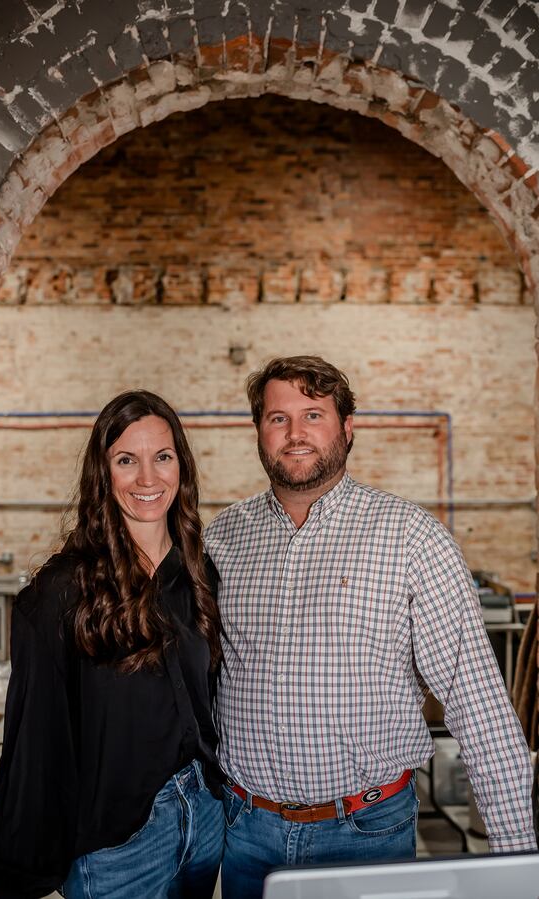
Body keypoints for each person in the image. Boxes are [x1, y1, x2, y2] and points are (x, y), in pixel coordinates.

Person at [204, 355, 537, 899]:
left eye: (313, 415)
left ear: (347, 427)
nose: (295, 434)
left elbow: (477, 704)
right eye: (277, 418)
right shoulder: (223, 538)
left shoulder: (411, 538)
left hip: (365, 831)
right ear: (258, 431)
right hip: (247, 832)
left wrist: (519, 863)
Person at [0, 390, 225, 899]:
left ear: (182, 466)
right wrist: (21, 875)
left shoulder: (198, 574)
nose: (148, 479)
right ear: (103, 473)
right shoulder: (61, 593)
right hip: (117, 847)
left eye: (163, 457)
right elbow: (35, 739)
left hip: (203, 822)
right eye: (126, 460)